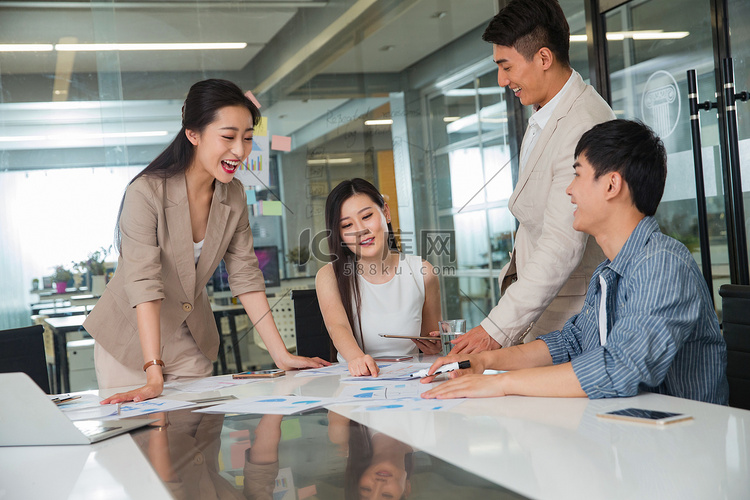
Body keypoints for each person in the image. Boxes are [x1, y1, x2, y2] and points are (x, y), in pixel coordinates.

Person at [421, 120, 729, 405]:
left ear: (611, 185)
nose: (569, 189)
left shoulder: (662, 265)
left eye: (578, 174)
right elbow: (572, 342)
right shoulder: (609, 270)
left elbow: (621, 367)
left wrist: (501, 384)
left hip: (681, 445)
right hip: (629, 436)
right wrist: (485, 362)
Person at [84, 79, 328, 403]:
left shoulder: (234, 194)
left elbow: (245, 274)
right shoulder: (145, 192)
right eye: (228, 137)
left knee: (198, 443)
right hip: (129, 340)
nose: (239, 151)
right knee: (142, 447)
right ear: (193, 134)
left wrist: (281, 354)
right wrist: (153, 372)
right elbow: (143, 283)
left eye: (247, 138)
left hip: (190, 336)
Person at [450, 0, 615, 355]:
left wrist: (494, 330)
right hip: (545, 313)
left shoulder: (581, 125)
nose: (501, 79)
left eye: (506, 66)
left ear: (543, 58)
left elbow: (560, 243)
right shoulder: (546, 112)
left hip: (572, 317)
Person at [316, 178, 442, 377]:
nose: (360, 230)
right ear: (339, 235)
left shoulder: (423, 272)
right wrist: (357, 358)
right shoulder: (329, 276)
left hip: (410, 381)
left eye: (366, 216)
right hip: (355, 382)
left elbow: (432, 340)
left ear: (386, 212)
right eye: (347, 225)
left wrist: (434, 346)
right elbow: (337, 327)